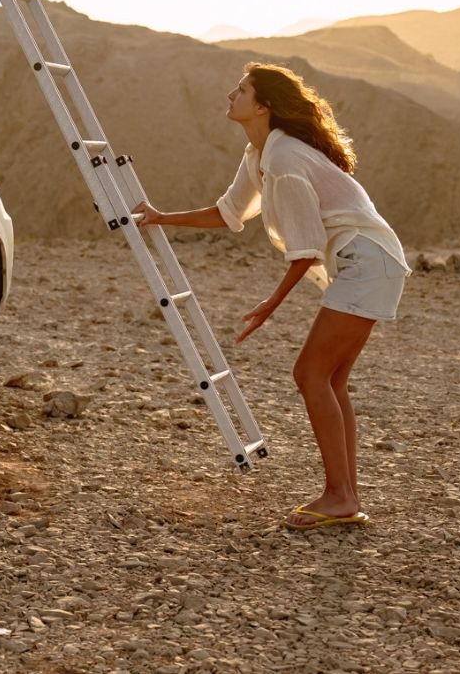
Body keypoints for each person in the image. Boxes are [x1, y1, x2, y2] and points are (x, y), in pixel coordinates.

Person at [131, 63, 408, 530]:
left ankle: (339, 496)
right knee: (330, 379)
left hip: (368, 263)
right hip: (368, 261)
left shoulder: (283, 161)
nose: (229, 94)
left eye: (239, 90)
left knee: (310, 373)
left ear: (262, 106)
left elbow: (303, 249)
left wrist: (269, 306)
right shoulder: (259, 153)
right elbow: (228, 213)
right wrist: (160, 217)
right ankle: (345, 495)